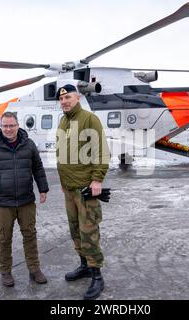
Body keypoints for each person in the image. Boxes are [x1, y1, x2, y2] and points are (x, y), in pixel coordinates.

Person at [0, 111, 49, 287]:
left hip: (26, 200)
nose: (8, 129)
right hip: (3, 203)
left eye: (11, 125)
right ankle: (6, 272)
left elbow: (38, 168)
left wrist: (43, 188)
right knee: (4, 239)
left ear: (18, 126)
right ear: (0, 127)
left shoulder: (29, 144)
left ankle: (34, 269)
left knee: (30, 235)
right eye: (5, 126)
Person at [55, 84, 110, 300]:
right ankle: (84, 265)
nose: (64, 101)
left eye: (68, 97)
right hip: (68, 188)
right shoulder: (63, 121)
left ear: (77, 97)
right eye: (61, 99)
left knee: (89, 231)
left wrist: (97, 179)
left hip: (85, 188)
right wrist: (63, 182)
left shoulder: (89, 119)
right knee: (75, 230)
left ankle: (97, 275)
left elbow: (101, 151)